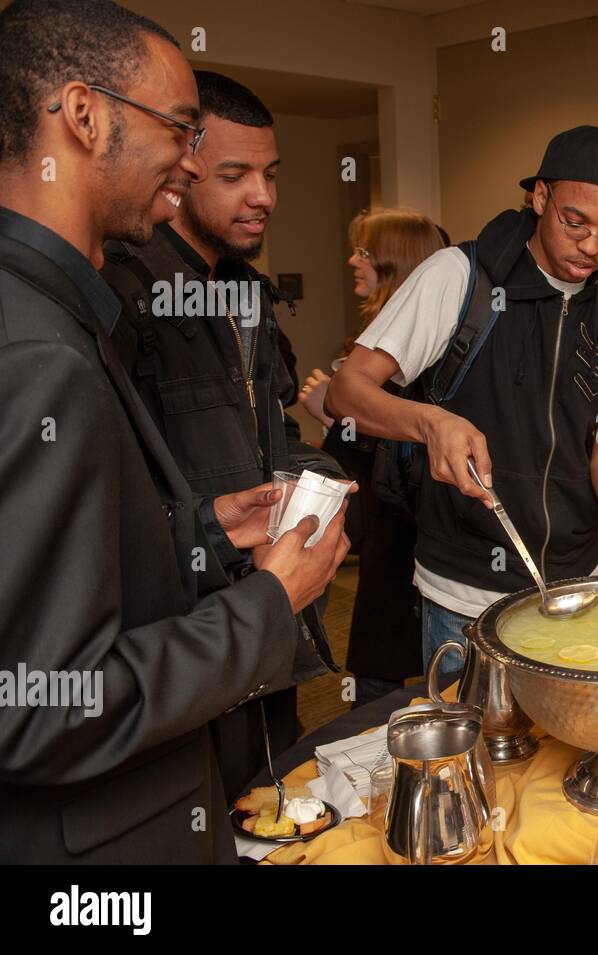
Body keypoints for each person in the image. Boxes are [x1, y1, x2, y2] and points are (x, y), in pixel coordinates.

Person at [0, 0, 348, 862]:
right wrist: (268, 602)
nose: (191, 162)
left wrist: (197, 531)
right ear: (84, 115)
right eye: (181, 128)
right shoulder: (37, 349)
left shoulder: (58, 311)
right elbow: (42, 705)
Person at [327, 126, 598, 686]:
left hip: (577, 587)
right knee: (473, 760)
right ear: (539, 197)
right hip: (466, 595)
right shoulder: (457, 278)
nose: (592, 247)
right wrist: (431, 421)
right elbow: (347, 393)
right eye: (576, 223)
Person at [100, 70, 346, 802]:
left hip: (271, 613)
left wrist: (319, 479)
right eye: (235, 175)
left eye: (270, 174)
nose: (263, 197)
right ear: (181, 170)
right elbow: (122, 493)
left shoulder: (244, 293)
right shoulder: (124, 295)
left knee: (269, 809)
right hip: (186, 634)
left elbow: (271, 426)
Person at [300, 208, 444, 705]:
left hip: (407, 539)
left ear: (395, 265)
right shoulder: (378, 341)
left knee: (396, 680)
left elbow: (404, 450)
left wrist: (338, 414)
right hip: (385, 541)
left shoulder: (422, 350)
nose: (352, 262)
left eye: (365, 253)